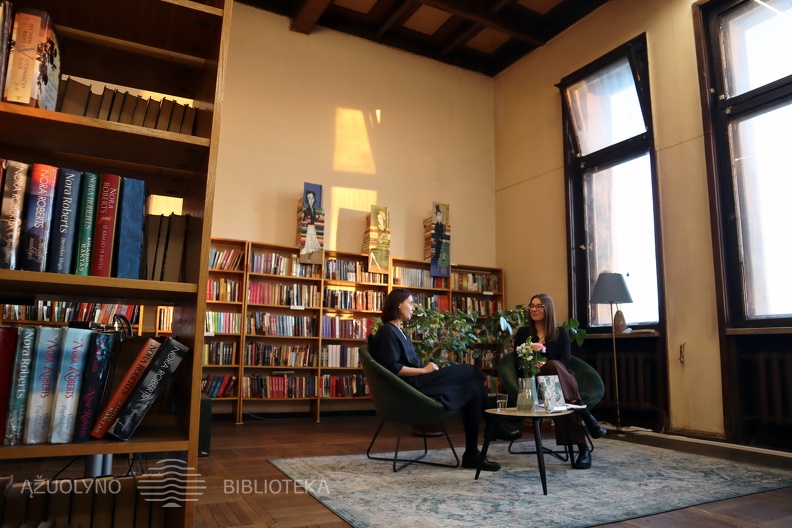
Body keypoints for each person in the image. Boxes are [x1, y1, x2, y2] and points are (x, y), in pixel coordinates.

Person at [370, 288, 520, 471]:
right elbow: (394, 368)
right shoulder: (388, 331)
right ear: (397, 304)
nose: (413, 308)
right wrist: (424, 370)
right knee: (472, 371)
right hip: (413, 386)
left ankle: (472, 454)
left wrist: (425, 370)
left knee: (474, 389)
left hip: (420, 380)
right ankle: (493, 425)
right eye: (410, 303)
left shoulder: (400, 331)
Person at [513, 293, 607, 469]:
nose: (533, 309)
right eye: (532, 306)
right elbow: (516, 362)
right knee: (559, 396)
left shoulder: (560, 333)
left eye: (539, 306)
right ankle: (584, 435)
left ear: (548, 309)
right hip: (536, 382)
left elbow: (566, 361)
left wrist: (547, 364)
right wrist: (531, 364)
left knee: (554, 375)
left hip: (561, 380)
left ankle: (583, 445)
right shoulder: (523, 333)